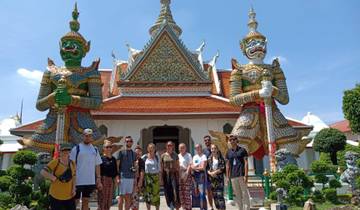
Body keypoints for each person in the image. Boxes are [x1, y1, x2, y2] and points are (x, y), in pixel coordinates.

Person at [69, 128, 103, 210]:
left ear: (92, 137)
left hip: (90, 181)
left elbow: (97, 164)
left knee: (86, 202)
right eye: (86, 136)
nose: (87, 137)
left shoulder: (95, 149)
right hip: (77, 181)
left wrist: (98, 178)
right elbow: (71, 164)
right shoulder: (76, 148)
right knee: (75, 202)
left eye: (89, 136)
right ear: (82, 136)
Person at [41, 143, 76, 210]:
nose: (66, 152)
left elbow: (74, 176)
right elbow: (43, 172)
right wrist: (52, 177)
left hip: (69, 195)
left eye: (68, 150)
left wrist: (74, 188)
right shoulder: (55, 162)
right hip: (55, 195)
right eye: (64, 150)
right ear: (60, 152)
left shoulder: (72, 163)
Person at [225, 135, 250, 210]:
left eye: (233, 139)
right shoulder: (228, 152)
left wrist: (246, 175)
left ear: (236, 140)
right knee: (237, 195)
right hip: (233, 176)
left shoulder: (242, 150)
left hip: (241, 174)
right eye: (230, 140)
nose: (232, 141)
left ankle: (246, 208)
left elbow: (246, 163)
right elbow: (227, 165)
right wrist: (227, 177)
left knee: (244, 193)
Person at [116, 136, 137, 210]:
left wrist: (135, 178)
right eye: (127, 141)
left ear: (132, 142)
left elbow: (134, 166)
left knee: (128, 198)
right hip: (123, 177)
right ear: (125, 142)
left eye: (130, 141)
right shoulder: (121, 152)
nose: (129, 142)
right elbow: (117, 166)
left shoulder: (134, 153)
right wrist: (118, 177)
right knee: (121, 198)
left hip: (131, 178)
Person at [98, 140, 118, 210]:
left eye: (110, 147)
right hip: (103, 180)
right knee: (102, 201)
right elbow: (98, 172)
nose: (109, 148)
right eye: (107, 147)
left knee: (109, 201)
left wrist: (116, 184)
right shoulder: (100, 159)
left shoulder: (114, 159)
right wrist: (99, 182)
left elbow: (115, 173)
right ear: (104, 148)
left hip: (111, 181)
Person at [161, 141, 180, 210]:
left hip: (174, 174)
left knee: (175, 190)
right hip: (166, 175)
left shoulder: (175, 155)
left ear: (173, 146)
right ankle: (170, 205)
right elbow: (161, 167)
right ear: (166, 146)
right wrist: (161, 178)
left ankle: (176, 205)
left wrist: (178, 175)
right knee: (168, 190)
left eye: (171, 145)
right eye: (168, 145)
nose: (169, 147)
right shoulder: (163, 155)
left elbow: (178, 166)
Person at [207, 144, 226, 210]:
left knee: (220, 196)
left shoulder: (221, 158)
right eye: (212, 149)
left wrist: (214, 172)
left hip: (219, 181)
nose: (213, 150)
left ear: (217, 149)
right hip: (212, 181)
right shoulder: (209, 158)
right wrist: (210, 173)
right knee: (215, 197)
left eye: (215, 148)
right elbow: (207, 169)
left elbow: (222, 168)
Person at [143, 143, 161, 210]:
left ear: (154, 149)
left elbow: (159, 168)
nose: (151, 149)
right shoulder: (144, 157)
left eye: (152, 148)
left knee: (156, 195)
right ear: (147, 149)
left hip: (155, 177)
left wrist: (160, 178)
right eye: (149, 148)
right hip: (147, 178)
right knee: (148, 195)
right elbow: (139, 162)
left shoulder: (157, 156)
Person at [191, 144, 208, 210]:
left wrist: (195, 167)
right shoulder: (194, 156)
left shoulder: (204, 156)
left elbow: (203, 168)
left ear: (201, 148)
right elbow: (192, 166)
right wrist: (197, 167)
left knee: (202, 193)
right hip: (195, 176)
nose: (197, 149)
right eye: (196, 148)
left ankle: (203, 208)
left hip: (201, 176)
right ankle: (199, 207)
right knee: (195, 192)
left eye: (198, 147)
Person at [130, 145, 145, 210]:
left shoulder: (141, 161)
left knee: (136, 199)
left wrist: (140, 181)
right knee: (129, 199)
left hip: (137, 183)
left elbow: (142, 171)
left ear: (141, 153)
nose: (138, 154)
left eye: (139, 152)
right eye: (136, 152)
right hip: (130, 182)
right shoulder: (131, 160)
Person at [178, 143, 192, 210]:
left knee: (187, 192)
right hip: (179, 175)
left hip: (186, 174)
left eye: (183, 147)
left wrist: (186, 173)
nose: (181, 149)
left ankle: (188, 207)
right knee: (181, 193)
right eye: (180, 147)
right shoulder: (178, 156)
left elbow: (190, 165)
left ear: (185, 148)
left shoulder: (188, 155)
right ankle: (183, 207)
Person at [203, 135, 214, 210]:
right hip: (207, 173)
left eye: (208, 140)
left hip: (216, 173)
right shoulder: (204, 151)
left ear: (211, 140)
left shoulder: (215, 149)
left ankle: (218, 205)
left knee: (216, 191)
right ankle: (211, 206)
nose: (207, 141)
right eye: (205, 140)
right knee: (208, 191)